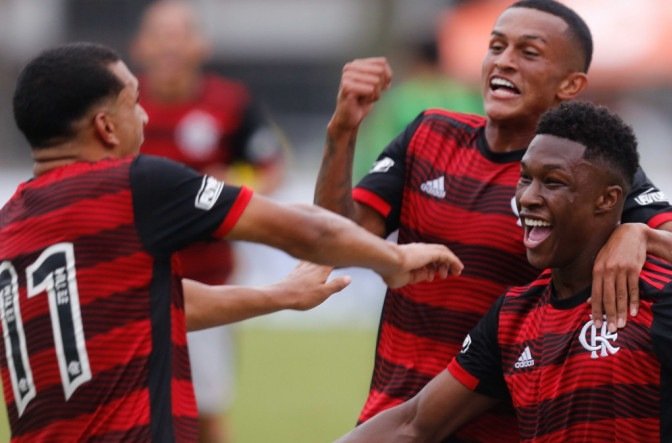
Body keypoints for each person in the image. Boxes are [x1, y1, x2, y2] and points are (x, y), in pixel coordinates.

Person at [0, 42, 463, 442]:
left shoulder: (10, 226)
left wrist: (277, 296)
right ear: (105, 127)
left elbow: (154, 302)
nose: (143, 114)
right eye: (133, 101)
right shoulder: (134, 186)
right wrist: (393, 257)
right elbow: (306, 229)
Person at [314, 0, 672, 440]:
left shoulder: (583, 177)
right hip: (393, 424)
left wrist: (640, 234)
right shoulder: (427, 135)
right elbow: (332, 243)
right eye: (496, 46)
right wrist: (341, 132)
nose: (504, 61)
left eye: (528, 53)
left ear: (571, 84)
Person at [338, 101, 672, 442]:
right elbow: (414, 422)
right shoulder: (512, 316)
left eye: (553, 183)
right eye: (525, 178)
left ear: (607, 200)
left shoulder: (665, 295)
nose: (528, 198)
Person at [128, 2, 290, 440]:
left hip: (205, 283)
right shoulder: (122, 106)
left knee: (203, 409)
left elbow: (272, 169)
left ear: (201, 44)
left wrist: (225, 185)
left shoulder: (229, 103)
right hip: (127, 281)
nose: (170, 44)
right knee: (129, 409)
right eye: (160, 34)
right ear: (141, 45)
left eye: (180, 33)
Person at [352, 35, 484, 181]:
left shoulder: (401, 99)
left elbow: (376, 146)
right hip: (459, 183)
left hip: (405, 184)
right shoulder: (463, 96)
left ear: (416, 62)